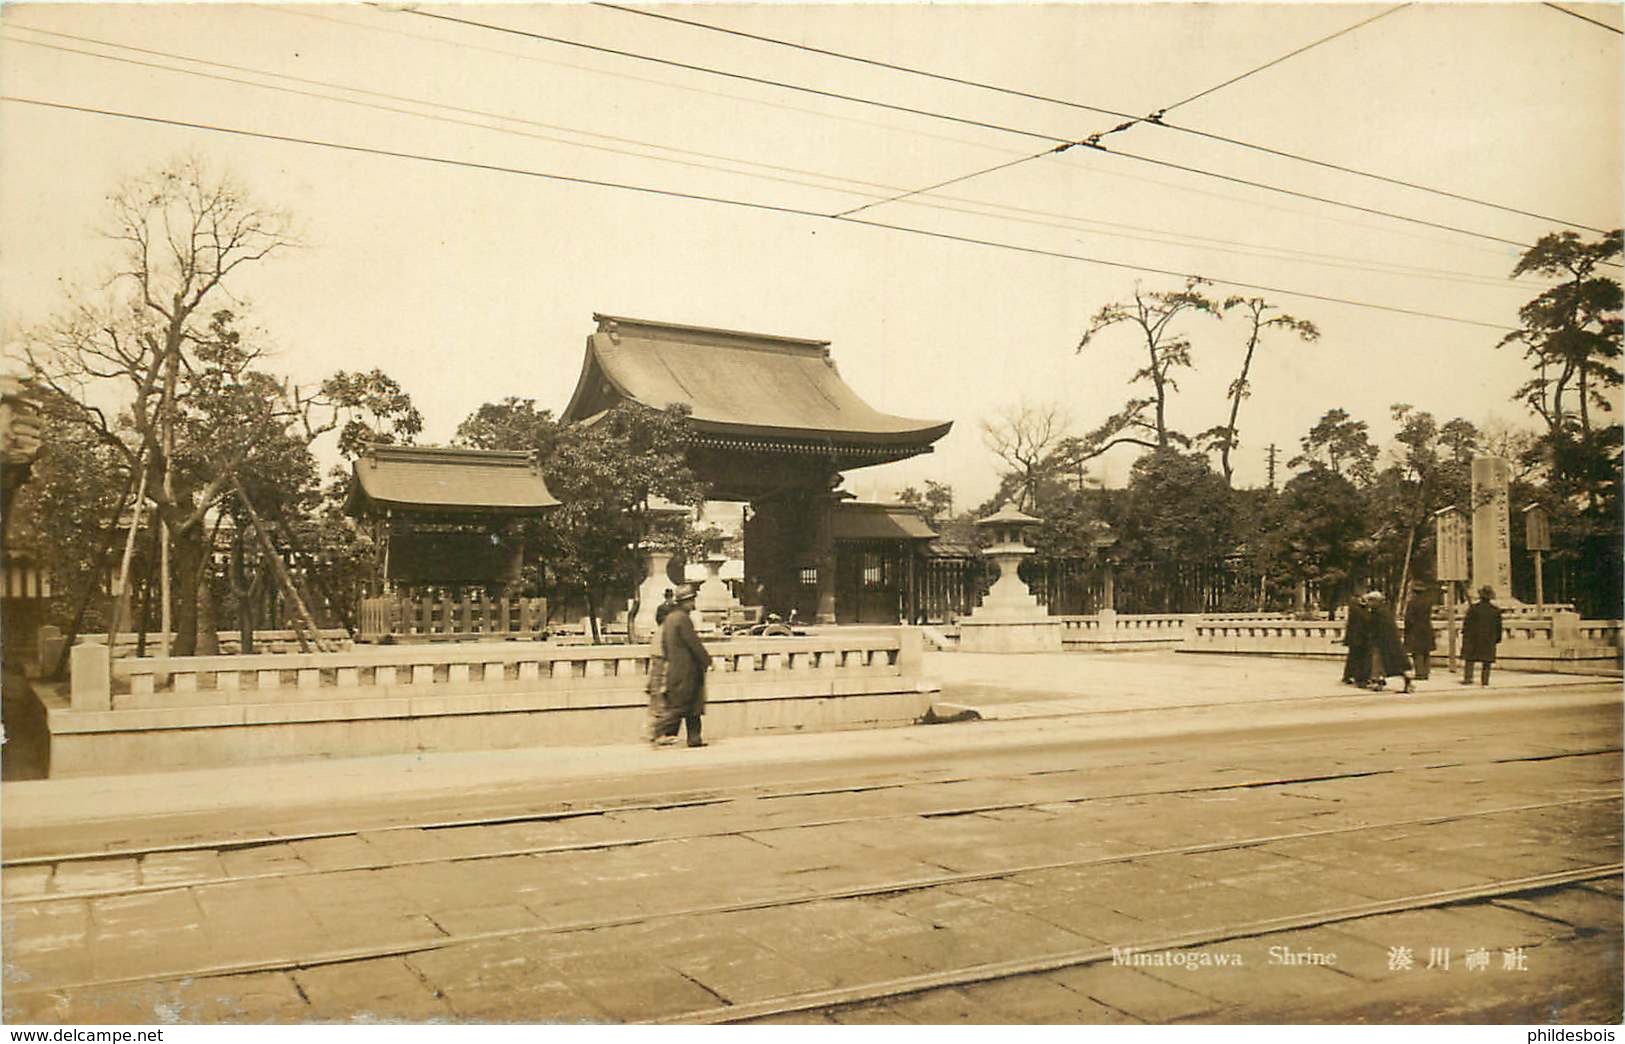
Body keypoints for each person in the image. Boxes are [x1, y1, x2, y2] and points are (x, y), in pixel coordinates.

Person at [654, 584, 712, 748]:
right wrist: (707, 660)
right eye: (691, 600)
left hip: (676, 668)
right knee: (683, 706)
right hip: (687, 670)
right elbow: (694, 644)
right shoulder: (682, 619)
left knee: (690, 705)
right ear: (684, 602)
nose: (693, 604)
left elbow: (665, 645)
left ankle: (694, 738)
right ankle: (657, 730)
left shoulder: (670, 619)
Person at [1364, 591, 1414, 693]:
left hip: (1384, 642)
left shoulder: (1379, 613)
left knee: (1380, 662)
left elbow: (1378, 629)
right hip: (1389, 642)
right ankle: (1379, 681)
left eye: (1370, 600)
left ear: (1376, 601)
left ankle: (1379, 681)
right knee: (1385, 664)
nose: (1368, 603)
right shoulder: (1383, 611)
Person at [645, 593, 678, 744]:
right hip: (662, 667)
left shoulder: (658, 632)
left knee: (658, 702)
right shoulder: (666, 632)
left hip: (657, 668)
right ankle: (658, 733)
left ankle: (657, 732)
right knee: (662, 703)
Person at [1461, 585, 1504, 687]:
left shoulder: (1473, 609)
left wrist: (1465, 636)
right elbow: (1498, 627)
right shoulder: (1495, 611)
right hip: (1488, 639)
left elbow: (1467, 624)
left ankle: (1468, 678)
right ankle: (1485, 681)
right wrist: (1497, 638)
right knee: (1487, 661)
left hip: (1474, 638)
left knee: (1470, 659)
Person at [1402, 581, 1436, 681]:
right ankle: (1426, 672)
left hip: (1415, 629)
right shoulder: (1428, 602)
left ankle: (1419, 672)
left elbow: (1409, 618)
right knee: (1426, 651)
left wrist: (1407, 627)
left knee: (1417, 652)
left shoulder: (1412, 603)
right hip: (1426, 627)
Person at [1341, 593, 1371, 686]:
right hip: (1359, 638)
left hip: (1356, 638)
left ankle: (1348, 676)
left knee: (1353, 657)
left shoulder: (1354, 609)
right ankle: (1357, 677)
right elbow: (1365, 620)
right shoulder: (1357, 610)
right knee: (1358, 658)